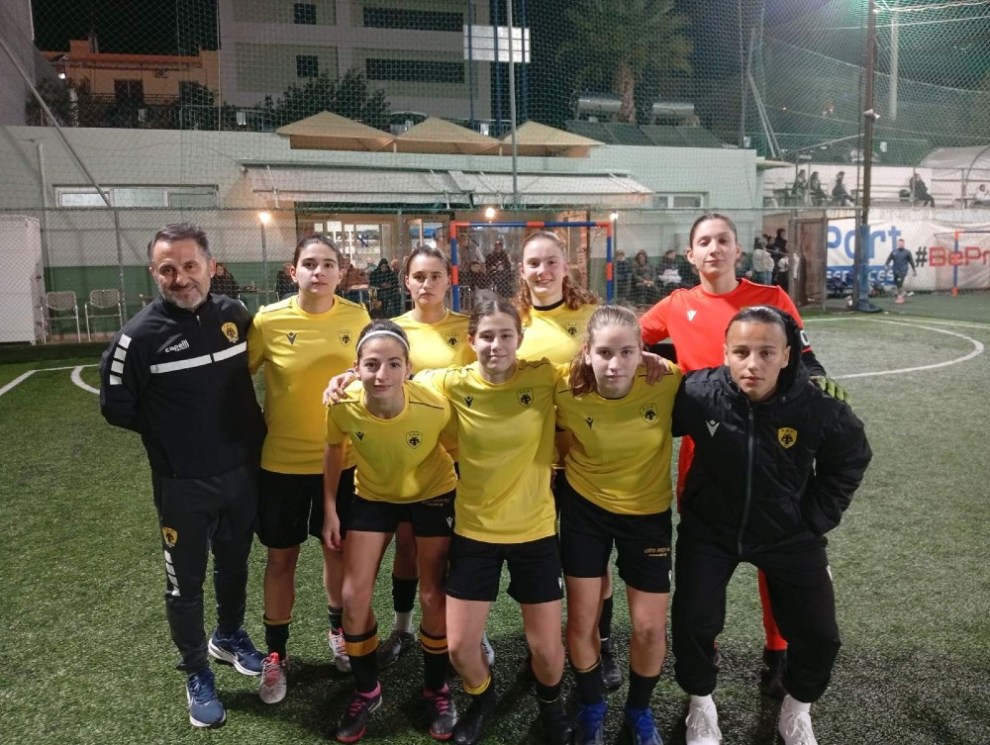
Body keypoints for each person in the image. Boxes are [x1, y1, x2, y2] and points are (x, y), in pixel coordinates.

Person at [639, 212, 840, 701]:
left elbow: (805, 358)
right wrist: (654, 357)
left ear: (737, 249)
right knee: (704, 575)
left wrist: (817, 386)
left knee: (777, 565)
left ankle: (778, 652)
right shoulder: (676, 304)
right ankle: (703, 657)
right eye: (704, 241)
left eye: (723, 240)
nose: (714, 248)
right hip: (706, 456)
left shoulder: (771, 299)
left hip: (772, 454)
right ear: (691, 255)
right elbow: (633, 339)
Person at [672, 306, 871, 745]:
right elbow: (645, 420)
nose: (752, 363)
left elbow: (851, 457)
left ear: (786, 355)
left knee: (820, 635)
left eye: (766, 352)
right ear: (725, 352)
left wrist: (814, 518)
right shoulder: (698, 392)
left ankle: (797, 710)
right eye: (741, 351)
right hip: (711, 531)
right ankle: (701, 704)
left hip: (788, 534)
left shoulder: (817, 406)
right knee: (692, 621)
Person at [99, 222, 266, 729]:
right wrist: (175, 437)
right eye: (168, 269)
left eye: (190, 266)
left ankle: (229, 636)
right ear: (154, 272)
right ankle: (196, 671)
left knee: (235, 564)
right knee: (184, 585)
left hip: (242, 474)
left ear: (211, 267)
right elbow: (116, 408)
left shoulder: (236, 315)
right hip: (183, 485)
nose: (181, 278)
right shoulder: (136, 338)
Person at [424, 297, 572, 745]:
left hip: (535, 533)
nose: (496, 345)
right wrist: (350, 377)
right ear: (471, 341)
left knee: (546, 648)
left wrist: (649, 357)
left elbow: (598, 368)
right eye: (486, 336)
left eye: (505, 335)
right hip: (475, 533)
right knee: (459, 648)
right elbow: (395, 380)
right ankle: (482, 700)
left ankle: (551, 707)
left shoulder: (544, 376)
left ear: (519, 339)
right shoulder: (451, 382)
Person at [247, 234, 372, 705]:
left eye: (328, 264)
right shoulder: (268, 320)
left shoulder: (357, 317)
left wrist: (353, 376)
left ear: (341, 272)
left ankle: (337, 632)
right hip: (280, 464)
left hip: (341, 461)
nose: (318, 272)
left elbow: (371, 370)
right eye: (310, 264)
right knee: (281, 558)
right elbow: (237, 377)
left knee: (336, 550)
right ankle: (275, 654)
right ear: (293, 270)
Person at [324, 320, 459, 743]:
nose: (381, 374)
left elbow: (461, 446)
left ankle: (436, 688)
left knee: (434, 594)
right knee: (352, 596)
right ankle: (367, 690)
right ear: (356, 368)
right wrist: (329, 509)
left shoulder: (434, 405)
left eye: (393, 364)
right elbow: (333, 448)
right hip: (374, 495)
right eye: (371, 364)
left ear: (408, 368)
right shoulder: (341, 403)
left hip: (433, 493)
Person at [555, 306, 682, 745]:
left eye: (627, 352)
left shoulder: (667, 379)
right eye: (605, 352)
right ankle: (592, 704)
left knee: (649, 627)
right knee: (582, 620)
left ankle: (639, 710)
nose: (615, 364)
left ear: (642, 351)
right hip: (584, 509)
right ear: (587, 352)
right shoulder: (563, 384)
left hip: (646, 515)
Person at [513, 231, 626, 692]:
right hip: (531, 463)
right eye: (533, 263)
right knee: (536, 560)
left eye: (550, 262)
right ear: (522, 270)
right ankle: (542, 647)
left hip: (585, 458)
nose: (542, 271)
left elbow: (626, 357)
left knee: (591, 562)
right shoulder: (514, 321)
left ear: (566, 266)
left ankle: (602, 643)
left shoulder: (593, 316)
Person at [378, 245, 481, 672]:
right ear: (407, 281)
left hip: (460, 457)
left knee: (463, 550)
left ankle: (471, 633)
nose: (426, 284)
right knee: (407, 546)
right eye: (418, 276)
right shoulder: (393, 330)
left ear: (448, 279)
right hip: (410, 459)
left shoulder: (467, 328)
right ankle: (402, 628)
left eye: (435, 276)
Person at [884, 238, 917, 304]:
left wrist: (914, 270)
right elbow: (889, 259)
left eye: (902, 243)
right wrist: (886, 266)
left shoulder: (907, 252)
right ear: (897, 244)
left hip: (903, 270)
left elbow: (911, 261)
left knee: (899, 282)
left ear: (904, 244)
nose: (901, 245)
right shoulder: (894, 252)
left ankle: (900, 298)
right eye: (899, 243)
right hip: (895, 270)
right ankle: (903, 293)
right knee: (897, 283)